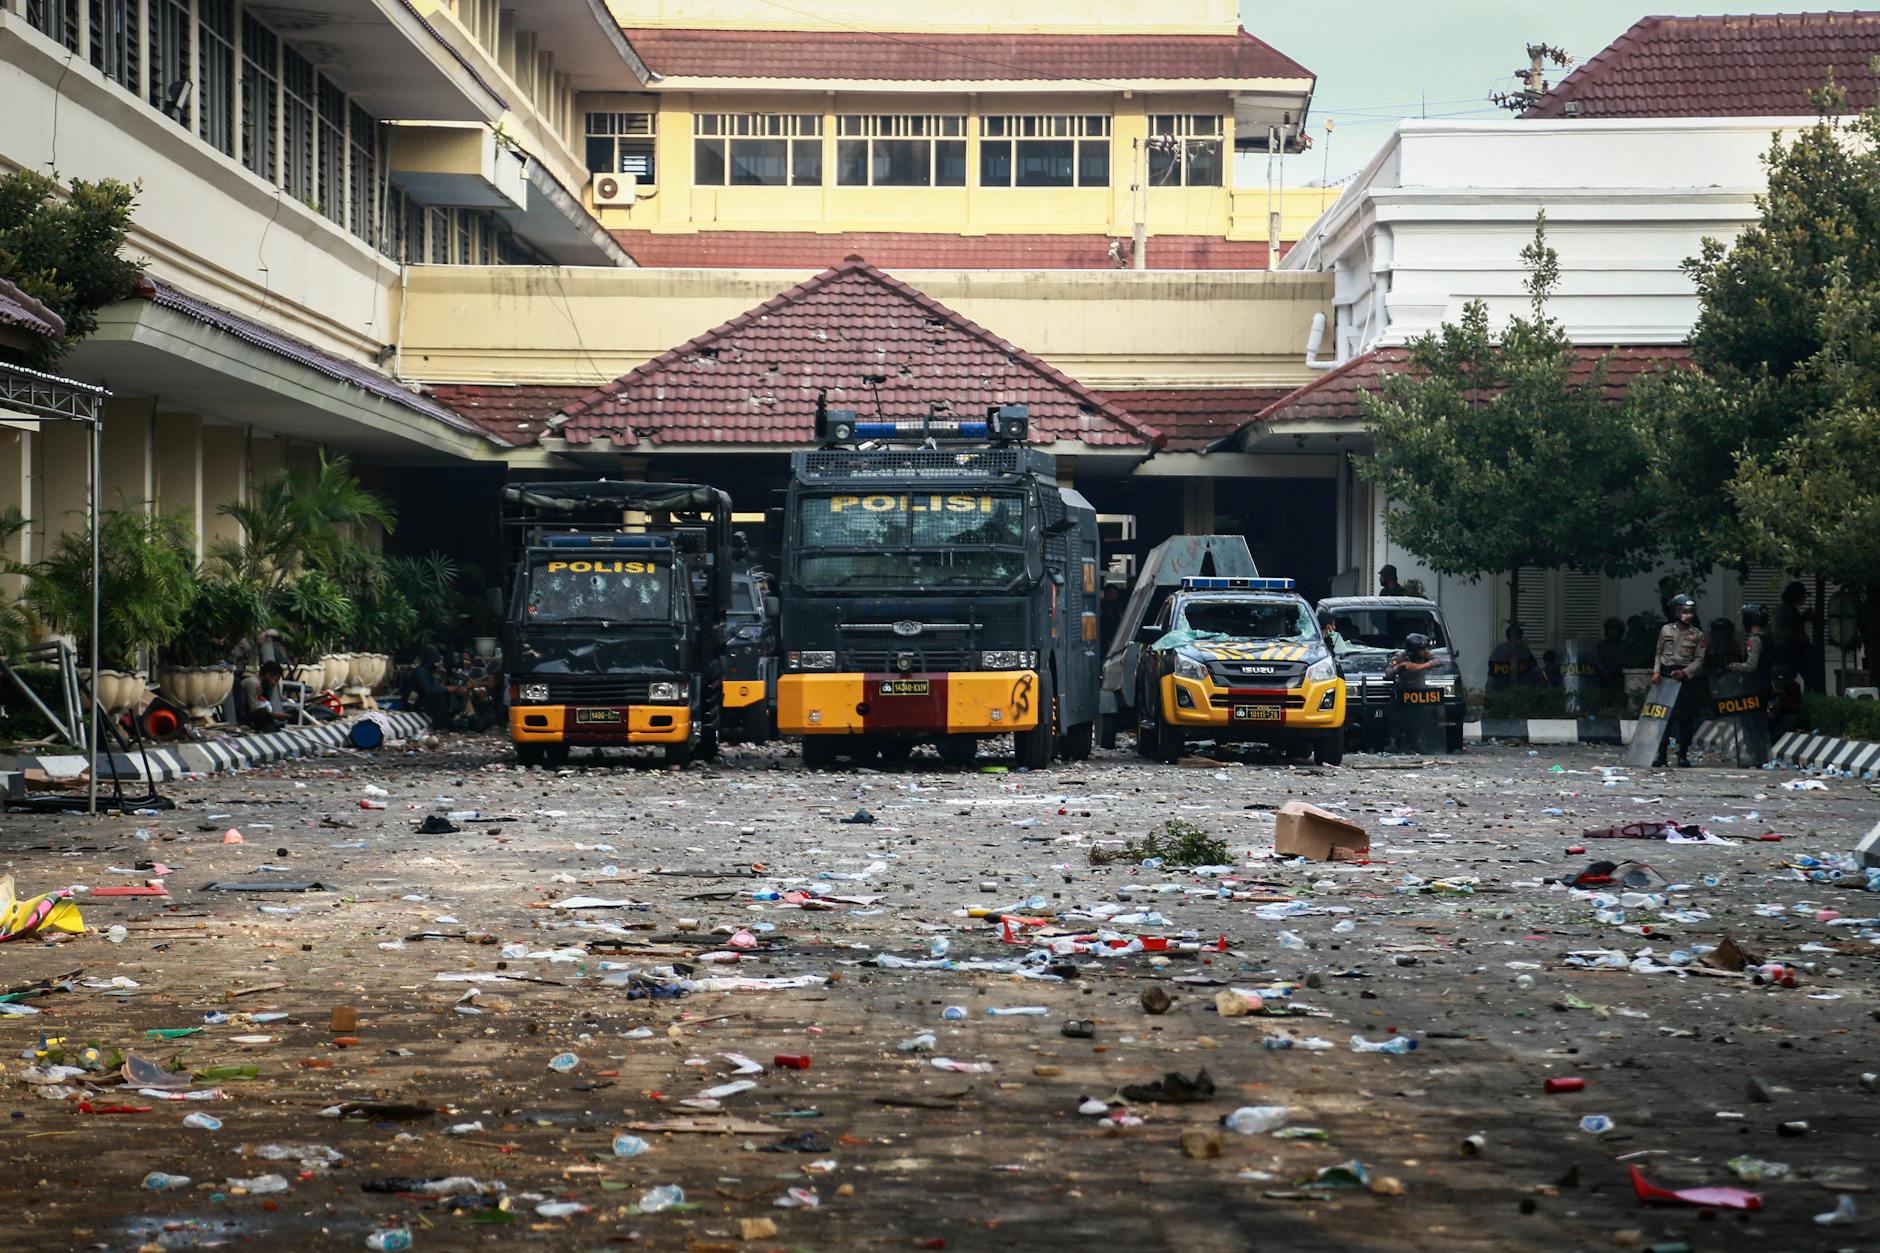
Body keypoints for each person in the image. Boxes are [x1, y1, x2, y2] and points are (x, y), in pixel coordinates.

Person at [1650, 593, 1708, 767]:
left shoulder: (1697, 634)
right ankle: (1661, 756)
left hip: (1685, 678)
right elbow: (1658, 652)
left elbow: (1699, 659)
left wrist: (1685, 673)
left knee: (1686, 718)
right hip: (1666, 676)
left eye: (1691, 612)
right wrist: (1656, 672)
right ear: (1676, 611)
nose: (1688, 615)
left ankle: (1682, 755)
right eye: (1685, 611)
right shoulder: (1666, 630)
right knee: (1662, 717)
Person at [1772, 580, 1812, 689]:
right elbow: (1778, 630)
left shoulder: (1792, 609)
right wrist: (1796, 636)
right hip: (1784, 653)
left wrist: (1804, 618)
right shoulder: (1781, 610)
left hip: (1794, 652)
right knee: (1785, 682)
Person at [239, 660, 288, 732]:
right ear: (268, 675)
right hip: (243, 716)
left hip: (253, 714)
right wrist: (276, 716)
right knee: (262, 713)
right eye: (275, 679)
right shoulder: (253, 683)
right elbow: (255, 709)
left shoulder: (264, 685)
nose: (275, 683)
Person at [1486, 623, 1537, 691]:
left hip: (1501, 691)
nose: (1519, 640)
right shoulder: (1523, 649)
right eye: (1519, 637)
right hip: (1517, 690)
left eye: (1520, 638)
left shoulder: (1499, 648)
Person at [1593, 616, 1627, 707]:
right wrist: (1603, 671)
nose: (1612, 632)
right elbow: (1597, 660)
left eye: (1615, 629)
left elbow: (1626, 660)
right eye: (1609, 629)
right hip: (1603, 677)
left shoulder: (1624, 646)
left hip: (1619, 678)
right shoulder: (1601, 645)